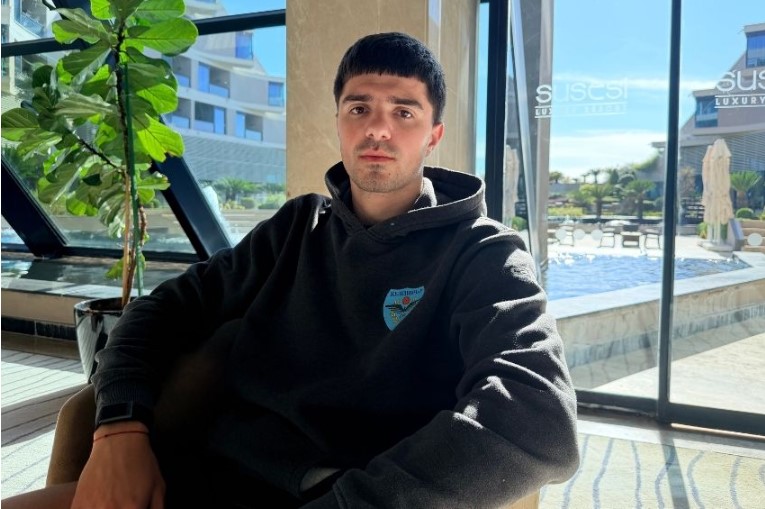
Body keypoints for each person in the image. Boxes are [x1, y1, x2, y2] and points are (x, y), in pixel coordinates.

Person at [3, 31, 579, 509]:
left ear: (433, 136)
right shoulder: (296, 228)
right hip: (215, 477)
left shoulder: (483, 252)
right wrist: (121, 427)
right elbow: (162, 310)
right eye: (359, 108)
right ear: (340, 122)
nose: (378, 129)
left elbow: (540, 419)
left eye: (403, 112)